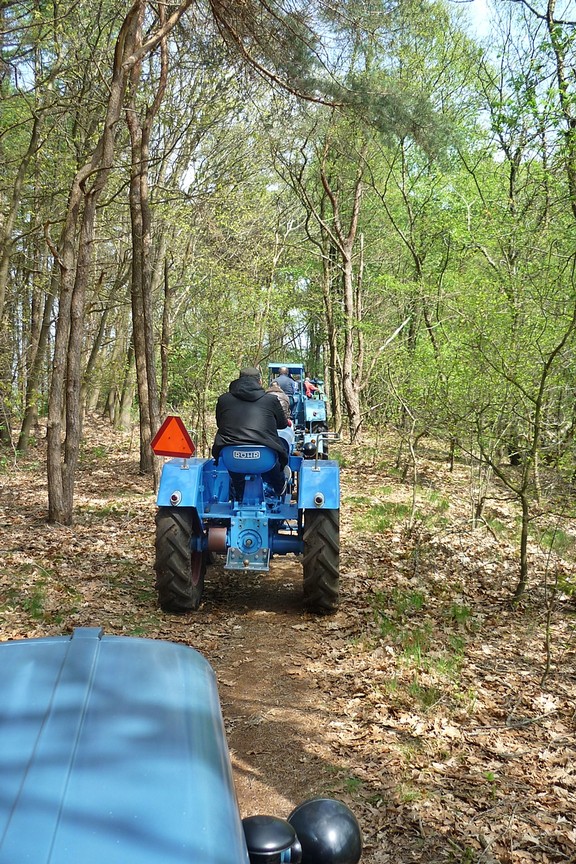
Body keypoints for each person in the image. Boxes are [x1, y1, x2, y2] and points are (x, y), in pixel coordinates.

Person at [212, 367, 288, 497]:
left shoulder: (223, 400)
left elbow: (220, 424)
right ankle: (279, 488)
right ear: (259, 382)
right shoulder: (271, 400)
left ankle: (239, 494)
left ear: (238, 380)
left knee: (236, 472)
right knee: (277, 461)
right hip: (265, 458)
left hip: (232, 458)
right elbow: (282, 424)